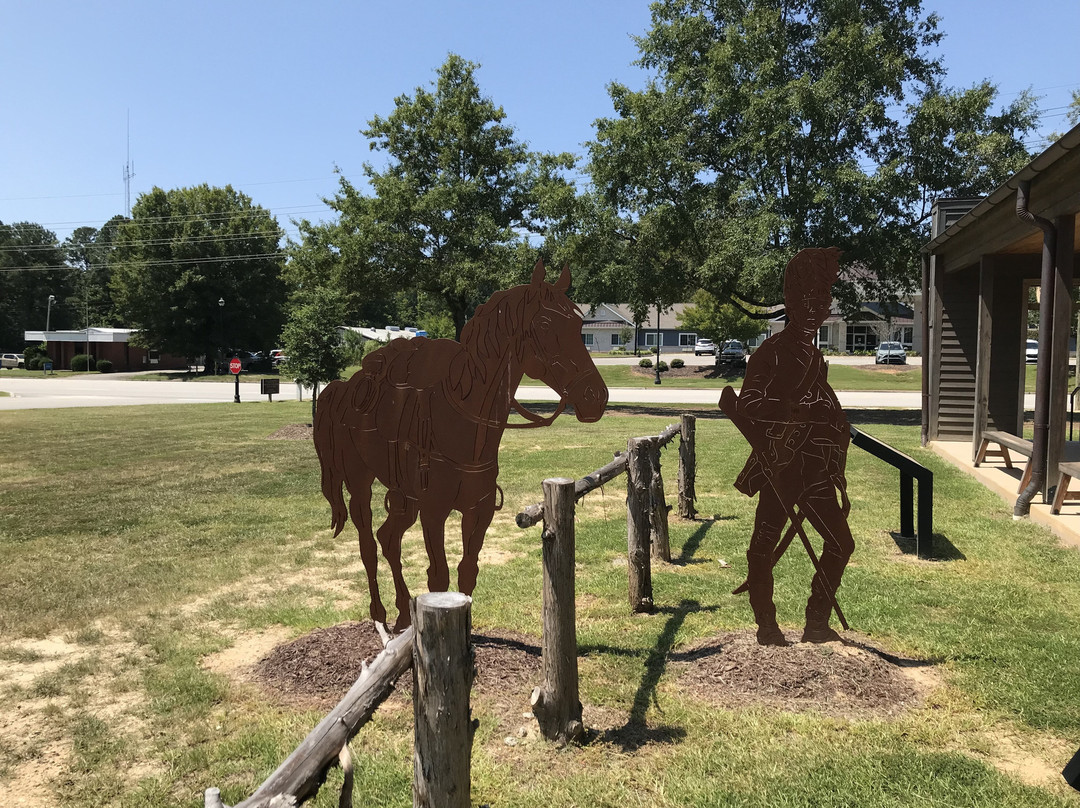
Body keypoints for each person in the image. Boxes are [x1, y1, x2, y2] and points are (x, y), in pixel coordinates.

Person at [725, 247, 852, 646]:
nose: (816, 311)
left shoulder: (815, 355)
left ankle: (816, 621)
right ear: (792, 304)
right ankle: (767, 625)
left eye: (823, 303)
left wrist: (833, 421)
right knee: (762, 546)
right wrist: (800, 408)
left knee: (840, 544)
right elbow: (749, 404)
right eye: (808, 302)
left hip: (813, 468)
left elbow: (823, 408)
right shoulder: (771, 352)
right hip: (780, 465)